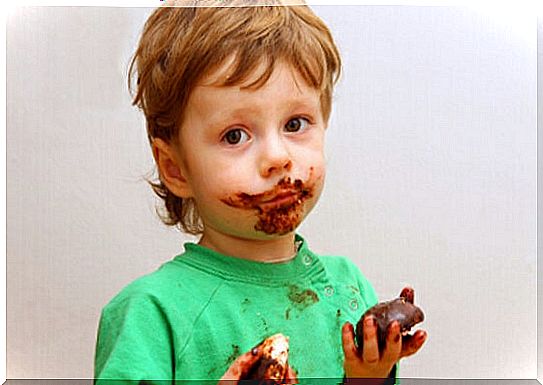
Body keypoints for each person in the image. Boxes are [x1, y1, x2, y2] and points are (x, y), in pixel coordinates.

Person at [93, 1, 427, 384]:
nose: (277, 157)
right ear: (175, 167)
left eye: (295, 123)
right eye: (235, 135)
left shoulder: (348, 289)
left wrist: (369, 374)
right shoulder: (151, 315)